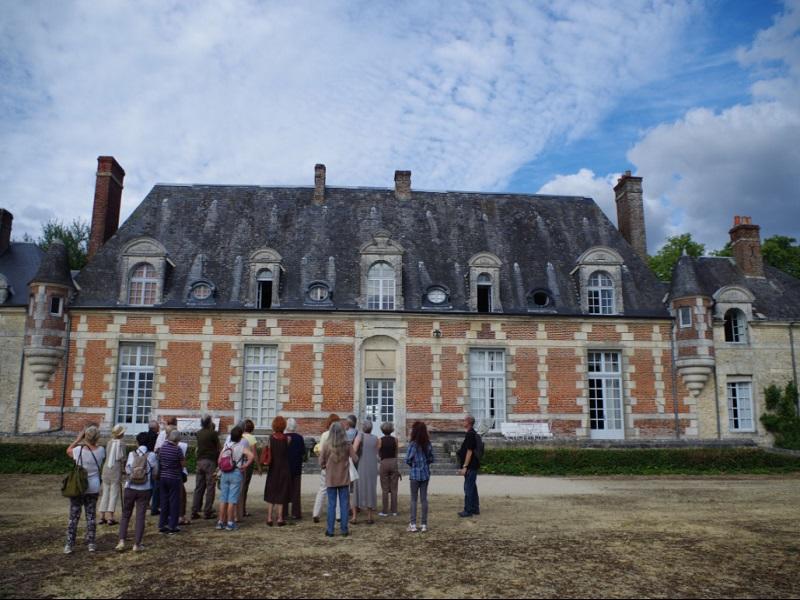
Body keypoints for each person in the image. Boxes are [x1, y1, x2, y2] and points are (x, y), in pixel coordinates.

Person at [64, 425, 106, 553]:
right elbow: (97, 448)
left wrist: (78, 439)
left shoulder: (78, 450)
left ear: (85, 437)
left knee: (74, 516)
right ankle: (91, 543)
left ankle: (69, 544)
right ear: (97, 437)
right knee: (91, 515)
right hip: (93, 486)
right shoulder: (101, 450)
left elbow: (68, 451)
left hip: (79, 486)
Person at [116, 431, 158, 552]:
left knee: (125, 515)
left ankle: (121, 541)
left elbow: (127, 470)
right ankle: (137, 544)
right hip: (145, 489)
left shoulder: (131, 454)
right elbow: (155, 472)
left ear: (137, 442)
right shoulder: (152, 455)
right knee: (140, 516)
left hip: (130, 487)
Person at [320, 421, 357, 537]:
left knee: (331, 505)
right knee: (344, 505)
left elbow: (321, 461)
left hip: (331, 478)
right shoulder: (347, 444)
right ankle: (344, 530)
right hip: (344, 478)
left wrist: (324, 465)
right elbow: (355, 458)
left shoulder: (326, 444)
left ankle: (330, 530)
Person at [217, 425, 254, 531]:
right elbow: (251, 456)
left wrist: (221, 468)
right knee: (232, 499)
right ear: (240, 437)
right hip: (236, 472)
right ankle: (230, 522)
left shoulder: (226, 445)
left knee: (223, 498)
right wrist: (245, 465)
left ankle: (220, 522)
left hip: (225, 473)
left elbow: (219, 460)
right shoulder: (241, 446)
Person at [406, 420, 434, 533]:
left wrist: (413, 465)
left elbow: (408, 459)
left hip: (414, 474)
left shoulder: (413, 444)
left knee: (413, 499)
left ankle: (413, 524)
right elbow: (432, 458)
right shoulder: (428, 444)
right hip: (425, 473)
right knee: (424, 499)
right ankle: (424, 524)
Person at [312, 413, 340, 523]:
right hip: (337, 466)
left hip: (326, 466)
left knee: (322, 489)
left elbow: (322, 451)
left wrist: (322, 463)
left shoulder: (324, 435)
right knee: (338, 490)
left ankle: (316, 513)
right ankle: (338, 515)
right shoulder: (340, 435)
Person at [263, 415, 291, 526]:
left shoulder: (270, 439)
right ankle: (280, 518)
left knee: (271, 492)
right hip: (284, 468)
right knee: (281, 492)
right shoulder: (288, 439)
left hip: (273, 468)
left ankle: (269, 518)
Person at [191, 414, 220, 520]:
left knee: (199, 486)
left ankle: (195, 510)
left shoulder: (198, 433)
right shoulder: (213, 433)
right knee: (210, 487)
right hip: (210, 461)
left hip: (200, 461)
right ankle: (207, 511)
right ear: (209, 422)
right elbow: (218, 447)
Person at [158, 429, 186, 534]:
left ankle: (162, 524)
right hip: (174, 477)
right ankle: (172, 525)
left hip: (163, 476)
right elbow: (183, 464)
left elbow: (160, 460)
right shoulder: (177, 449)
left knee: (164, 501)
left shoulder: (163, 448)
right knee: (174, 502)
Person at [99, 424, 127, 525]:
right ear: (121, 434)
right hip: (115, 469)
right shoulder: (122, 444)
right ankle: (110, 517)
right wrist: (124, 470)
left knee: (105, 492)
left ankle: (102, 516)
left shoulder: (109, 442)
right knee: (114, 493)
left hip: (106, 468)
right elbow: (123, 458)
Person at [356, 419, 379, 524]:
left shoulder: (360, 437)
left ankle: (354, 516)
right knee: (370, 488)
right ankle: (370, 516)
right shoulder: (376, 438)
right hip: (372, 465)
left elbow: (354, 449)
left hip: (362, 463)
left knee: (358, 488)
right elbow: (377, 452)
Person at [457, 414, 480, 518]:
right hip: (473, 466)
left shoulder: (470, 434)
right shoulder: (472, 433)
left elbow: (469, 451)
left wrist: (465, 466)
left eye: (464, 421)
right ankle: (475, 508)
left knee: (468, 488)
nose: (463, 422)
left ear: (468, 422)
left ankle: (468, 510)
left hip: (470, 466)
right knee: (472, 487)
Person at [238, 419, 260, 520]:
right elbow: (254, 454)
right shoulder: (251, 438)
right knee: (244, 487)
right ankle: (242, 510)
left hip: (238, 463)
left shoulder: (239, 436)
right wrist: (259, 466)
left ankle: (238, 510)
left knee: (238, 487)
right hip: (248, 464)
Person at [284, 417, 304, 520]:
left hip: (285, 468)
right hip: (296, 467)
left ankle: (284, 512)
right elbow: (302, 452)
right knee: (296, 492)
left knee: (284, 491)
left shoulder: (283, 437)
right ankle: (296, 513)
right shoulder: (299, 438)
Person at [378, 421, 400, 517]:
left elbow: (378, 452)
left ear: (382, 430)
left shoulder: (380, 440)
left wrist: (381, 459)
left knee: (385, 488)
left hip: (384, 462)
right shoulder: (395, 439)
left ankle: (385, 511)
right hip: (393, 462)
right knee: (394, 488)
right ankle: (394, 510)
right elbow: (396, 452)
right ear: (391, 430)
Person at [345, 414, 360, 523]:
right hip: (354, 461)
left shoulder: (344, 433)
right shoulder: (358, 433)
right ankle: (355, 506)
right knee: (354, 486)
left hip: (345, 460)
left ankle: (348, 507)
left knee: (346, 484)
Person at [145, 419, 160, 515]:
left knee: (147, 484)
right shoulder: (156, 437)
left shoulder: (145, 436)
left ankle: (146, 503)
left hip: (145, 461)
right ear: (155, 428)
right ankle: (154, 507)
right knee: (155, 485)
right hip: (154, 461)